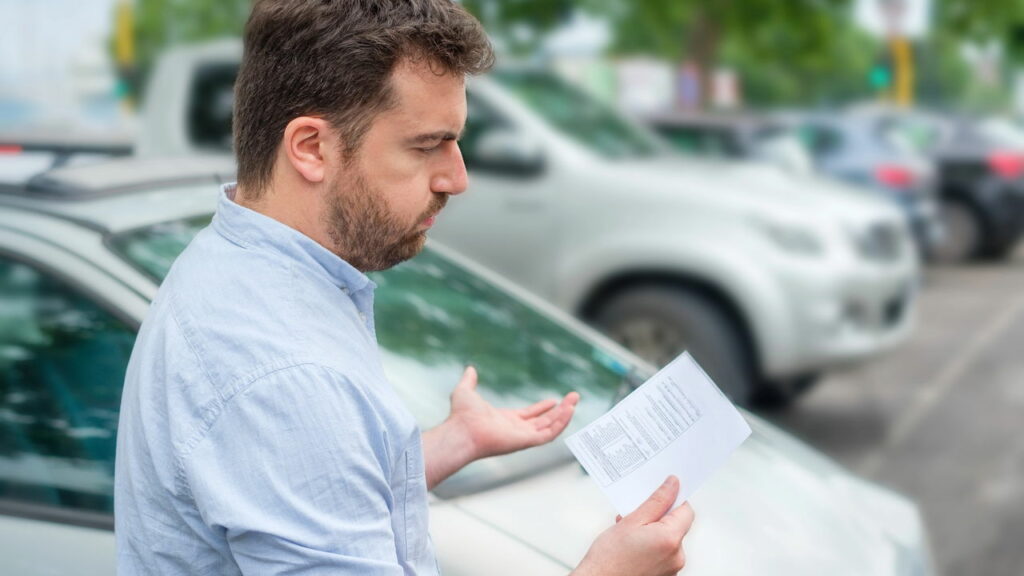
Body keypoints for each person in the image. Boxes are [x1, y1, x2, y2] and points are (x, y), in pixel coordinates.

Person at [114, 1, 694, 574]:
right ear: (311, 147)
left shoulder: (236, 262)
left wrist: (449, 444)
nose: (456, 177)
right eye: (425, 145)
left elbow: (302, 481)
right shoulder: (286, 374)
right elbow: (296, 426)